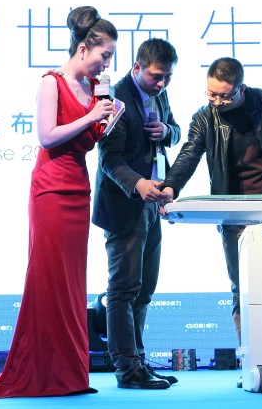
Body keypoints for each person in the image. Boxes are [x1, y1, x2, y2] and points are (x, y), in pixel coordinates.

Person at [0, 6, 117, 398]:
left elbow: (90, 139)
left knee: (72, 283)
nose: (106, 64)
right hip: (51, 189)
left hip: (79, 188)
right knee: (47, 279)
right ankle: (40, 373)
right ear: (83, 49)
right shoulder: (52, 82)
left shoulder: (93, 87)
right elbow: (47, 136)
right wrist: (91, 117)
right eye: (104, 55)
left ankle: (69, 375)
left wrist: (107, 118)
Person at [160, 57, 262, 351]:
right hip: (233, 212)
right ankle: (250, 357)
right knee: (242, 288)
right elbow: (189, 154)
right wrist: (171, 185)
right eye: (211, 94)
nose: (217, 102)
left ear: (241, 89)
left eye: (225, 96)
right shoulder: (204, 118)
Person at [92, 38, 181, 389]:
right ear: (137, 68)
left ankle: (140, 364)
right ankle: (127, 370)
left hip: (153, 202)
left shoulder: (160, 94)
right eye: (156, 76)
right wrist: (138, 183)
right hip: (124, 203)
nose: (161, 83)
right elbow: (109, 159)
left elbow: (174, 131)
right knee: (123, 290)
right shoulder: (114, 99)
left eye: (168, 77)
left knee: (144, 289)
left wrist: (167, 131)